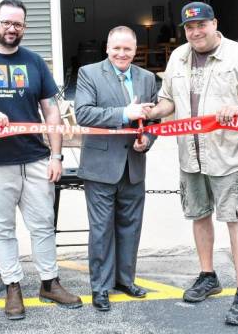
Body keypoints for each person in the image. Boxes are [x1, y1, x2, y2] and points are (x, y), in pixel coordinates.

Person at [0, 0, 82, 320]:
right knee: (3, 230)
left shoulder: (34, 62)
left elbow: (51, 110)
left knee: (43, 226)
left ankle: (49, 283)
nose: (12, 28)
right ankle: (13, 288)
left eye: (18, 24)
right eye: (6, 22)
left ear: (24, 27)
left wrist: (56, 155)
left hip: (35, 159)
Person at [146, 2, 238, 326]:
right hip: (190, 155)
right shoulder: (178, 57)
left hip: (228, 156)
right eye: (189, 27)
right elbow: (168, 101)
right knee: (199, 217)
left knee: (236, 220)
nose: (196, 32)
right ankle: (208, 275)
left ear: (214, 23)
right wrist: (150, 113)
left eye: (201, 24)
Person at [74, 26, 158, 311]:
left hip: (134, 164)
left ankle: (125, 279)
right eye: (117, 48)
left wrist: (147, 139)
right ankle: (100, 286)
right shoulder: (89, 73)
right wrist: (125, 114)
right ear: (107, 48)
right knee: (101, 229)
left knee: (131, 226)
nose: (122, 54)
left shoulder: (147, 78)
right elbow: (83, 113)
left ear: (135, 50)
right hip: (100, 166)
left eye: (128, 49)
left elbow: (155, 119)